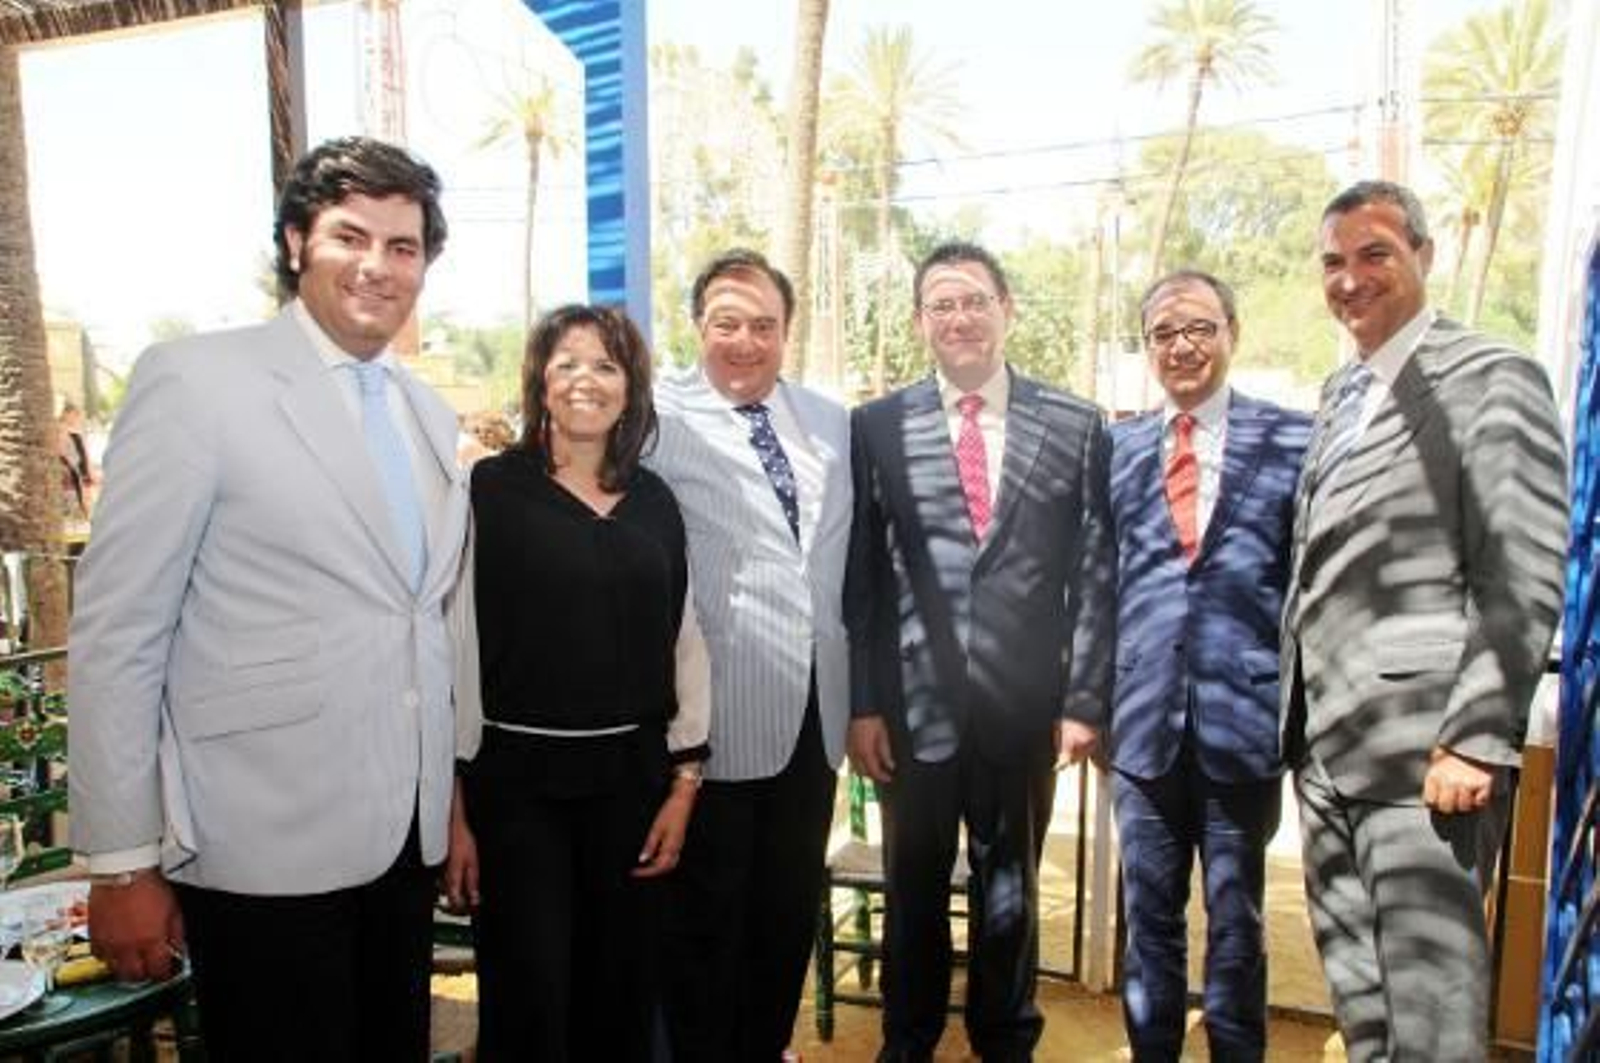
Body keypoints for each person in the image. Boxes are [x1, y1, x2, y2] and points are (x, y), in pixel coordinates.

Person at [68, 136, 468, 1062]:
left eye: (403, 246)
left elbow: (425, 624)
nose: (377, 265)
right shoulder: (195, 381)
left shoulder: (426, 414)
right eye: (349, 236)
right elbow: (120, 632)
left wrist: (447, 796)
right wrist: (122, 860)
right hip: (257, 846)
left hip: (401, 847)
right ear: (295, 243)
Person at [1282, 180, 1567, 1062]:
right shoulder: (1340, 393)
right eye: (1334, 261)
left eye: (1376, 254)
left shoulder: (1492, 376)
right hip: (1325, 747)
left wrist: (1477, 738)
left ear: (1424, 257)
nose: (1351, 278)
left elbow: (1521, 565)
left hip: (1424, 757)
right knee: (1363, 997)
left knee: (1433, 1011)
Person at [845, 240, 1113, 1061]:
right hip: (912, 711)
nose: (959, 318)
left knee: (1012, 892)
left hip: (1025, 712)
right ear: (922, 320)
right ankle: (908, 1036)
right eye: (941, 304)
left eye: (974, 301)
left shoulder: (1075, 423)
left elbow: (1095, 573)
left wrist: (1082, 701)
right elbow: (863, 577)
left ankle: (1006, 1038)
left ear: (1007, 309)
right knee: (913, 890)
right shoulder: (878, 426)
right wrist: (861, 705)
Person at [442, 304, 710, 1061]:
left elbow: (684, 641)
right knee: (530, 1003)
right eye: (566, 363)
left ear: (631, 387)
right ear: (540, 382)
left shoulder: (657, 501)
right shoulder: (486, 493)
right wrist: (456, 809)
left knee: (620, 997)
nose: (585, 380)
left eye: (605, 364)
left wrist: (684, 786)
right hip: (515, 793)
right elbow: (451, 649)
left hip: (632, 784)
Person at [647, 248, 854, 1060]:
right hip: (715, 718)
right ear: (699, 326)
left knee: (782, 916)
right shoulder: (658, 415)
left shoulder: (830, 420)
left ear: (786, 331)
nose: (745, 341)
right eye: (726, 323)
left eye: (763, 325)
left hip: (817, 714)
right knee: (705, 927)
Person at [1100, 270, 1310, 1062]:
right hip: (1143, 727)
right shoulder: (1115, 448)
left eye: (1198, 328)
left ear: (1232, 331)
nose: (1181, 346)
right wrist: (1092, 705)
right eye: (1162, 333)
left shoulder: (1293, 438)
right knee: (1148, 920)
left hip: (1244, 725)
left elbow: (1306, 581)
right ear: (1147, 348)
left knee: (1237, 921)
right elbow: (1097, 583)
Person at [57, 401, 95, 523]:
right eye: (74, 414)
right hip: (72, 469)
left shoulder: (76, 430)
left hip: (80, 468)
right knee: (76, 500)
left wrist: (90, 470)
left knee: (86, 500)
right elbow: (60, 450)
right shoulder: (60, 427)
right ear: (66, 413)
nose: (76, 418)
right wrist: (67, 467)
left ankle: (86, 523)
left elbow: (84, 452)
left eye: (77, 415)